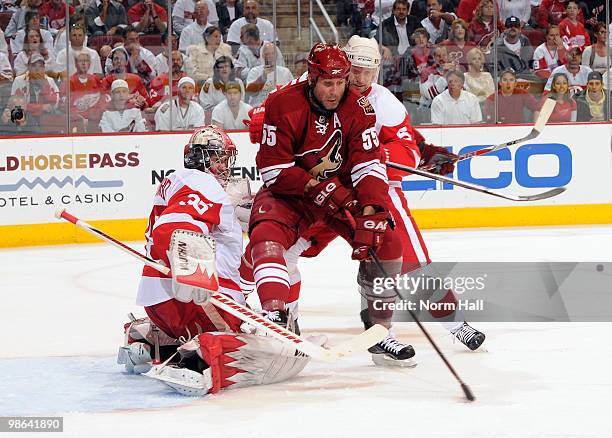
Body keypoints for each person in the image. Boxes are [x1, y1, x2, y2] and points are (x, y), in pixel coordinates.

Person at [240, 38, 486, 366]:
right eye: (353, 70)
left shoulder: (380, 102)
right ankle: (254, 307)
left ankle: (434, 325)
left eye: (366, 72)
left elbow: (405, 148)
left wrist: (412, 154)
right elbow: (274, 128)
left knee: (398, 252)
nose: (358, 79)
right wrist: (262, 120)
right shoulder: (313, 85)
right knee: (276, 246)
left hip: (356, 191)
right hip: (310, 192)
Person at [118, 125, 310, 396]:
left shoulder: (176, 182)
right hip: (199, 299)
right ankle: (198, 361)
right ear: (199, 158)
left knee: (192, 326)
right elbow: (173, 227)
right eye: (218, 158)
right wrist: (193, 273)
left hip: (158, 303)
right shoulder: (203, 183)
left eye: (225, 158)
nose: (224, 166)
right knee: (246, 339)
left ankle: (148, 337)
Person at [59, 51, 109, 132]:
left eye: (86, 61)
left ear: (89, 64)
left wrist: (99, 113)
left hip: (96, 120)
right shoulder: (68, 82)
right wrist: (78, 118)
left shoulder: (95, 79)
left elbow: (103, 98)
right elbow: (65, 106)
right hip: (77, 122)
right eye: (80, 61)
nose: (84, 63)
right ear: (75, 64)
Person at [11, 53, 59, 126]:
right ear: (28, 67)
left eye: (40, 66)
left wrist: (44, 85)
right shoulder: (19, 80)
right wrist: (41, 107)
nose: (37, 69)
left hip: (45, 117)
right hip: (26, 118)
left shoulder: (50, 81)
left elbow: (55, 104)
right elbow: (17, 105)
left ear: (44, 68)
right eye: (34, 66)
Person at [245, 42, 293, 106]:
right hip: (259, 108)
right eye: (267, 54)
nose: (270, 56)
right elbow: (250, 92)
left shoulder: (285, 72)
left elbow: (292, 92)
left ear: (276, 55)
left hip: (280, 108)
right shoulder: (255, 71)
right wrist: (263, 76)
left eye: (273, 53)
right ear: (262, 55)